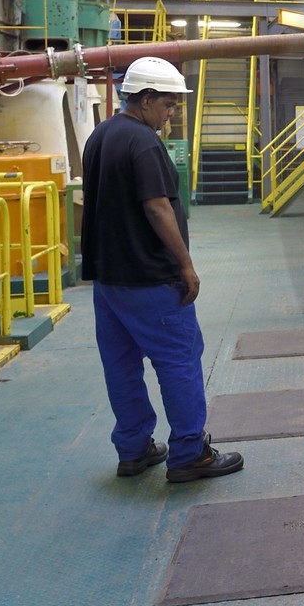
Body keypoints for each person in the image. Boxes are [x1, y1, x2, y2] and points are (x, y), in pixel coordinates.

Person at [81, 56, 243, 483]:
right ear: (146, 98)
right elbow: (156, 207)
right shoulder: (143, 142)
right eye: (168, 105)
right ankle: (190, 454)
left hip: (110, 280)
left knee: (121, 364)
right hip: (151, 279)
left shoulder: (100, 135)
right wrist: (185, 266)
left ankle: (133, 450)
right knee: (179, 361)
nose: (170, 114)